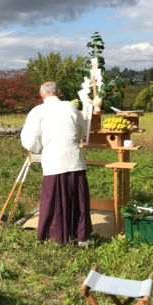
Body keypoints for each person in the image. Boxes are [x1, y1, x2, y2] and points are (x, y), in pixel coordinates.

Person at [20, 81, 93, 246]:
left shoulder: (37, 111)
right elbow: (82, 129)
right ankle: (81, 237)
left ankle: (55, 237)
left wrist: (38, 148)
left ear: (41, 94)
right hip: (74, 158)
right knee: (78, 198)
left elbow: (29, 139)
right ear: (57, 92)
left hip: (53, 159)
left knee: (53, 199)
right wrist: (75, 140)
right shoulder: (70, 107)